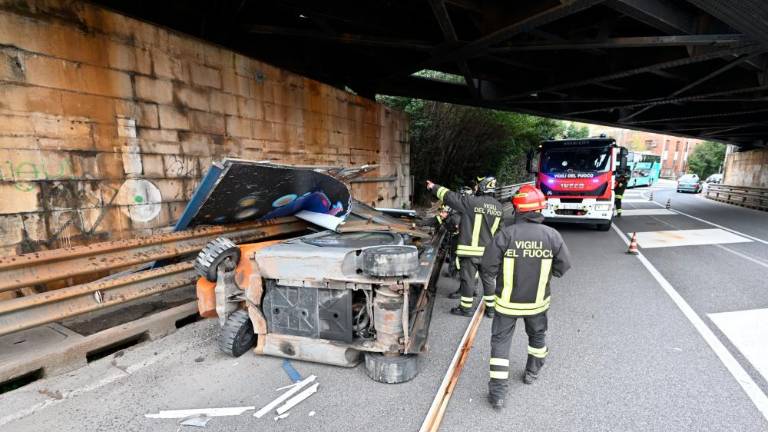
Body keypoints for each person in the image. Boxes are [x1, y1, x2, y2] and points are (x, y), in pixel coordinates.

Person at [480, 184, 571, 409]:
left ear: (517, 208)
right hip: (537, 304)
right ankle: (532, 372)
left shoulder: (506, 235)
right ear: (539, 208)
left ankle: (498, 394)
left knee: (500, 345)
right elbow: (563, 267)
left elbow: (487, 268)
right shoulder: (552, 236)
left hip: (507, 304)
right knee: (537, 339)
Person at [427, 177, 503, 318]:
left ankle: (465, 308)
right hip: (489, 252)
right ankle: (491, 310)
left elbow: (451, 197)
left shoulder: (471, 202)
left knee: (467, 279)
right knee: (488, 279)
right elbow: (499, 232)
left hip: (470, 251)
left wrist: (434, 187)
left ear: (481, 188)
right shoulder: (499, 207)